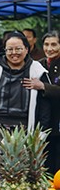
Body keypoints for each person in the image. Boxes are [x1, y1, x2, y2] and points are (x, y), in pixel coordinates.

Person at [0, 32, 51, 177]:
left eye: (18, 49)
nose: (14, 53)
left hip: (26, 130)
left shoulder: (37, 71)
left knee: (22, 173)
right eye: (10, 49)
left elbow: (45, 104)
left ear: (27, 49)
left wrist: (42, 130)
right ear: (5, 51)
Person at [21, 30, 60, 173]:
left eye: (54, 44)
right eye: (46, 44)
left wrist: (44, 86)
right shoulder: (39, 64)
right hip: (43, 122)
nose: (50, 49)